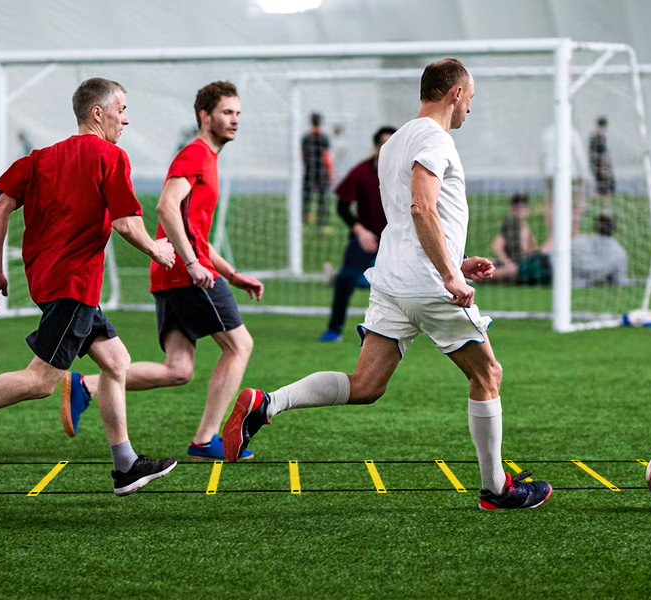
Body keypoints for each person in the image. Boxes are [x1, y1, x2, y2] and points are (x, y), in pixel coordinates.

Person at [222, 59, 553, 510]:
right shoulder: (436, 139)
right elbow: (421, 208)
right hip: (426, 283)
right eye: (470, 100)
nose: (469, 111)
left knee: (366, 385)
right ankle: (497, 489)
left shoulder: (395, 140)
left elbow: (407, 215)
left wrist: (456, 259)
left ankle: (267, 404)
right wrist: (449, 273)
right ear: (455, 93)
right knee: (487, 373)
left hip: (393, 279)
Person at [0, 78, 178, 496]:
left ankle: (126, 464)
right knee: (41, 381)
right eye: (121, 109)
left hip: (47, 282)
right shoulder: (110, 156)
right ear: (98, 113)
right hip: (74, 285)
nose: (125, 119)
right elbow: (126, 223)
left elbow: (0, 206)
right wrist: (157, 251)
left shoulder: (38, 158)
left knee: (116, 361)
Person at [66, 81, 265, 462]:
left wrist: (233, 274)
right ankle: (206, 440)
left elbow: (198, 235)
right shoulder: (195, 154)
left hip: (174, 274)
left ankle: (86, 386)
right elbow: (166, 207)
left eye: (238, 113)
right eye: (226, 112)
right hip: (185, 274)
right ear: (204, 117)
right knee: (240, 346)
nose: (235, 120)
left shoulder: (207, 158)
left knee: (178, 369)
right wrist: (192, 263)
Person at [320, 125, 396, 343]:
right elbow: (342, 206)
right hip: (367, 237)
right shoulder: (361, 172)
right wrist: (360, 230)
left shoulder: (409, 173)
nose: (387, 149)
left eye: (392, 145)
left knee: (420, 280)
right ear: (375, 147)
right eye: (383, 144)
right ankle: (334, 330)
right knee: (345, 278)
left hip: (399, 239)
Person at [541, 122, 590, 240]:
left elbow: (542, 155)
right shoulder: (571, 132)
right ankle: (574, 233)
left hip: (550, 173)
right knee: (576, 205)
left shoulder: (547, 132)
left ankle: (552, 235)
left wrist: (544, 172)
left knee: (551, 203)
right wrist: (586, 174)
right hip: (572, 174)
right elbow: (580, 154)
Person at [490, 193, 550, 285]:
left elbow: (531, 248)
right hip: (516, 264)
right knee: (515, 271)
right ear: (513, 209)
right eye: (519, 208)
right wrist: (507, 263)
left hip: (525, 263)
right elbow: (497, 246)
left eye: (524, 207)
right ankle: (480, 277)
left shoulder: (523, 225)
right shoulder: (512, 225)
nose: (522, 211)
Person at [571, 215, 627, 287]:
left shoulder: (579, 241)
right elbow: (618, 279)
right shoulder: (620, 252)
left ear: (596, 227)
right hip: (589, 281)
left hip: (567, 278)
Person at [302, 112, 334, 226]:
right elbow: (326, 157)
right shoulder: (323, 138)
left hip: (309, 170)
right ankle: (322, 222)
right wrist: (330, 173)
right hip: (321, 171)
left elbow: (303, 156)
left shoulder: (306, 138)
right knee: (322, 198)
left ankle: (304, 219)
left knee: (307, 197)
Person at [589, 116, 615, 211]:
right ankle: (605, 208)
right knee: (604, 188)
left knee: (604, 189)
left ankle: (606, 207)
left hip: (597, 165)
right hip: (600, 166)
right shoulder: (598, 136)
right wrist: (603, 168)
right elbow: (600, 154)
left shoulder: (594, 135)